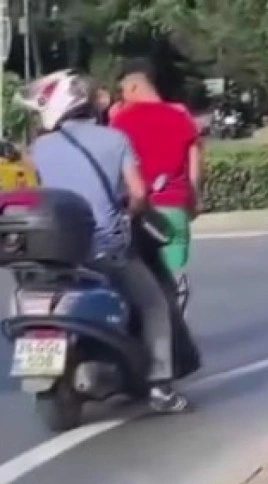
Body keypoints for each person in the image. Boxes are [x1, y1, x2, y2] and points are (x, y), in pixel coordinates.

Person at [15, 69, 192, 413]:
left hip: (57, 253)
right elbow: (138, 193)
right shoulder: (114, 139)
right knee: (155, 304)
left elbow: (38, 192)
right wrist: (129, 211)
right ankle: (160, 387)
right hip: (106, 248)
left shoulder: (39, 148)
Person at [110, 58, 204, 279]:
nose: (122, 96)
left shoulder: (120, 121)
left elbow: (114, 169)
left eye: (123, 90)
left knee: (141, 281)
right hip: (174, 208)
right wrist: (195, 200)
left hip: (139, 212)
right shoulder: (181, 116)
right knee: (174, 278)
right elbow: (194, 165)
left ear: (134, 86)